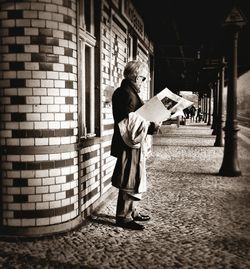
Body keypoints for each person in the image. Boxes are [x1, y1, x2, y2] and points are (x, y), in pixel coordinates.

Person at [111, 60, 161, 230]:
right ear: (134, 76)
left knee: (135, 178)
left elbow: (135, 118)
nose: (143, 81)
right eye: (142, 78)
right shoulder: (125, 93)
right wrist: (151, 125)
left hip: (133, 143)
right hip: (129, 144)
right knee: (129, 178)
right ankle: (123, 217)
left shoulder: (128, 92)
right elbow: (129, 123)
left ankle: (132, 211)